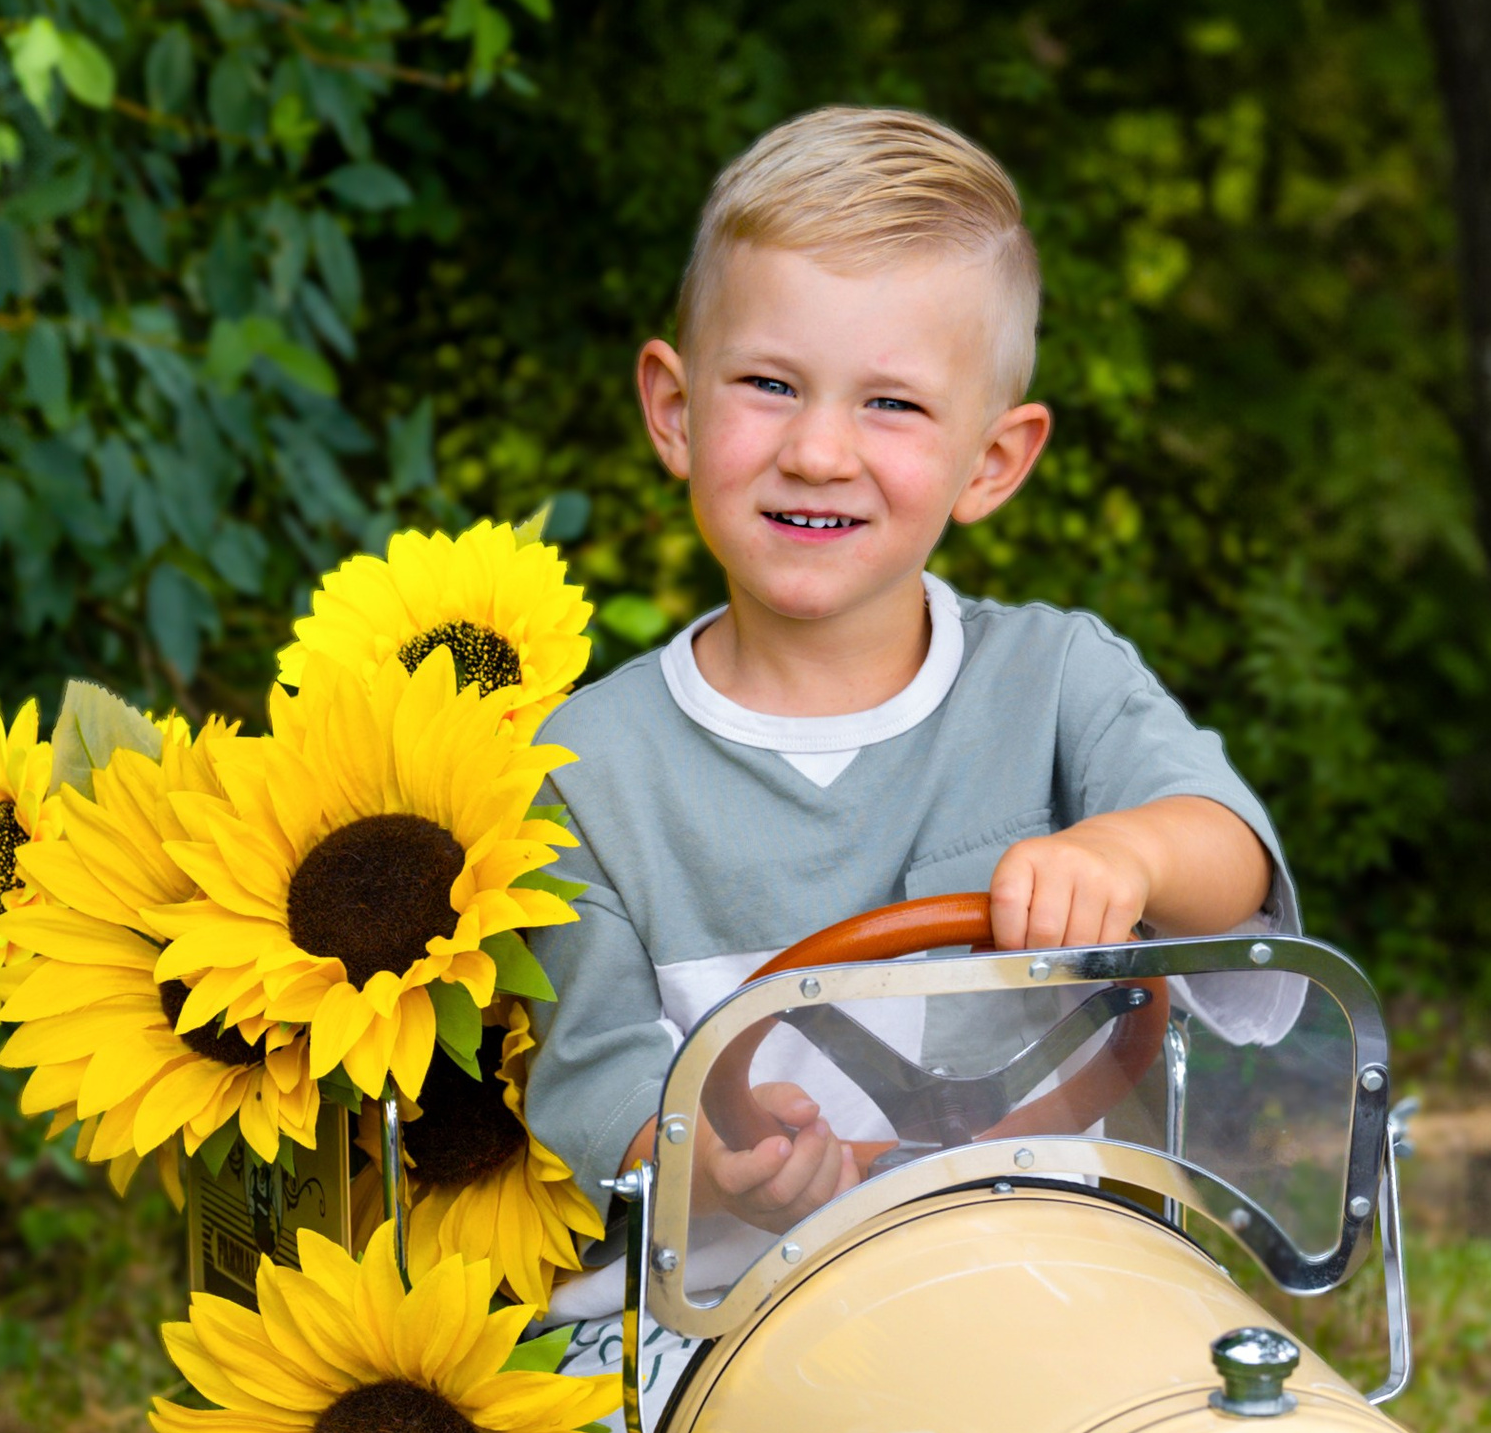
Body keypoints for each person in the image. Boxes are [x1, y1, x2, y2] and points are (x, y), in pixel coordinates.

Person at [525, 105, 1293, 1334]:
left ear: (992, 461)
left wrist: (1127, 852)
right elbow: (591, 1071)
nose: (819, 450)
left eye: (891, 405)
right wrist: (712, 1162)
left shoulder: (1053, 681)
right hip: (719, 1324)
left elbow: (1231, 857)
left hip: (1041, 1297)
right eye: (770, 385)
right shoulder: (584, 770)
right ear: (673, 409)